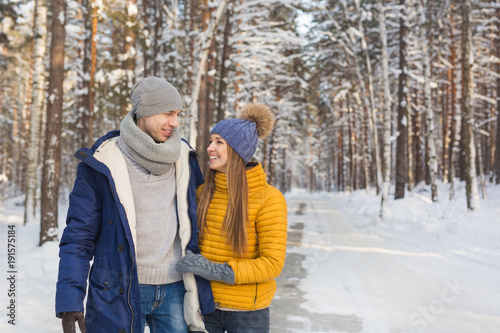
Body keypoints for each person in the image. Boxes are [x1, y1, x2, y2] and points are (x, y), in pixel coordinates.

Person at [55, 76, 214, 333]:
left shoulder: (186, 158)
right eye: (167, 113)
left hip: (176, 288)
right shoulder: (101, 163)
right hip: (121, 288)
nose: (175, 122)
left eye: (178, 114)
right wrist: (70, 298)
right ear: (144, 113)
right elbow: (78, 236)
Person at [175, 103, 288, 333]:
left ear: (237, 150)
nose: (209, 148)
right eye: (210, 141)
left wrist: (217, 270)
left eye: (219, 142)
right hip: (205, 307)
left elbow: (272, 263)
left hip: (248, 313)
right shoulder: (202, 193)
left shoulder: (269, 199)